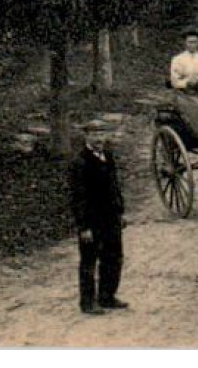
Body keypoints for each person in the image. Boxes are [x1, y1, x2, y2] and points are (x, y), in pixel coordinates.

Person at [68, 122, 127, 314]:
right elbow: (78, 198)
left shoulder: (107, 157)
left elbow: (114, 187)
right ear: (86, 137)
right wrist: (83, 227)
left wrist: (120, 212)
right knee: (89, 261)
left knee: (113, 258)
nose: (99, 138)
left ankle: (107, 296)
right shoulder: (80, 162)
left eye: (102, 134)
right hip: (92, 221)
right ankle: (87, 303)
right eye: (94, 134)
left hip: (111, 218)